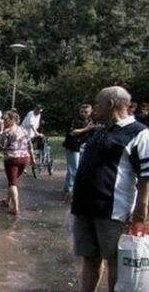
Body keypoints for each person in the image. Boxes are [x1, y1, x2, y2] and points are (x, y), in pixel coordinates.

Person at [71, 86, 149, 292]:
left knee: (114, 262)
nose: (95, 107)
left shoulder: (139, 133)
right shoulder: (101, 130)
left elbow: (146, 176)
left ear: (110, 104)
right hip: (84, 208)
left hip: (112, 211)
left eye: (97, 103)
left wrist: (141, 210)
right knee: (90, 259)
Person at [0, 110, 35, 215]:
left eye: (6, 120)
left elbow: (0, 148)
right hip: (25, 159)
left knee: (12, 183)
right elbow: (30, 145)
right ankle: (7, 201)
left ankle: (15, 208)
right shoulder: (24, 130)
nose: (4, 122)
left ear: (12, 120)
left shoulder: (6, 133)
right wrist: (33, 159)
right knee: (13, 180)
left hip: (12, 159)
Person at [62, 104, 95, 198]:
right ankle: (71, 190)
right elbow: (73, 132)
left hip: (84, 146)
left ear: (90, 112)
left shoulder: (90, 120)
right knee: (74, 169)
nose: (83, 114)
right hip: (73, 146)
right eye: (82, 111)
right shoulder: (74, 120)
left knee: (78, 168)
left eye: (86, 112)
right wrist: (87, 129)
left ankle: (68, 189)